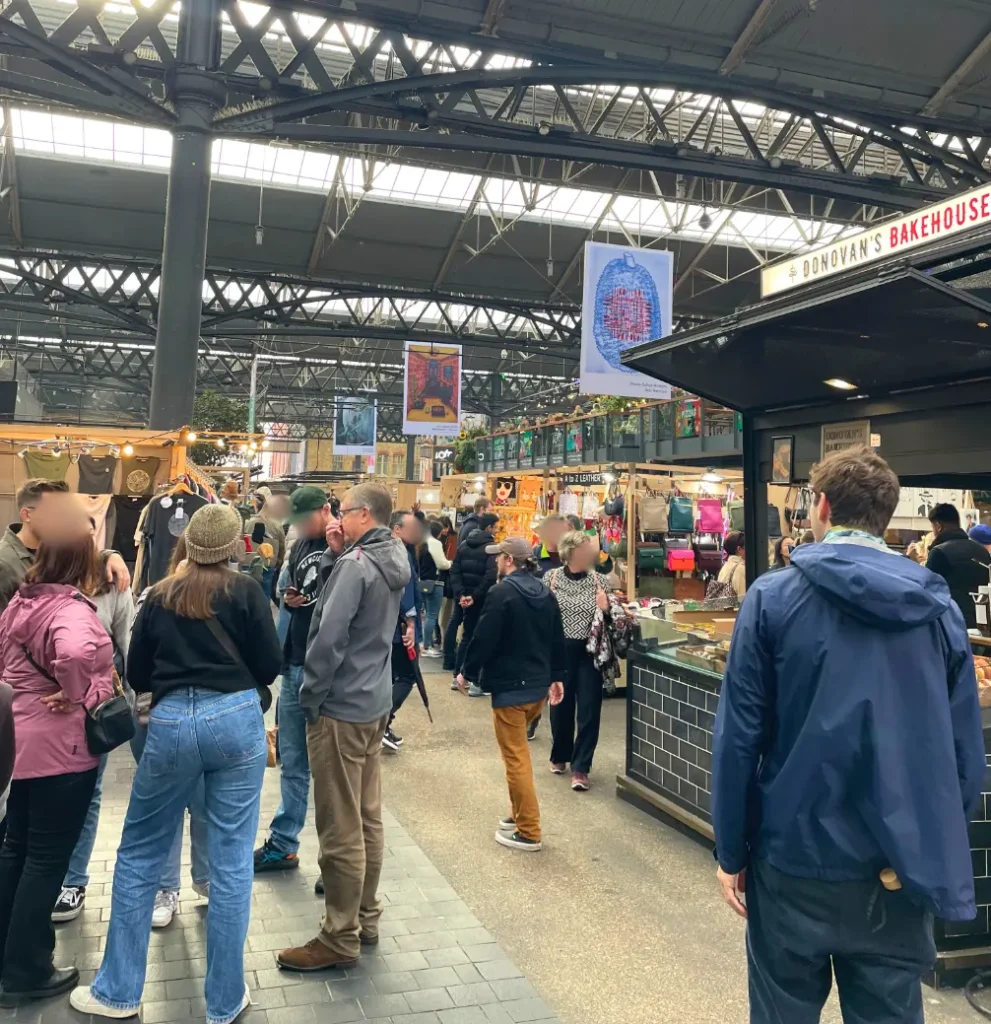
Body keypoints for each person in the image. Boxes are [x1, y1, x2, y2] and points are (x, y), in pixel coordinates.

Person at [712, 446, 984, 1024]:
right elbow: (965, 754)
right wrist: (929, 843)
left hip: (792, 858)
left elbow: (739, 738)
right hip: (896, 867)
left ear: (822, 506)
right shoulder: (939, 611)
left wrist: (732, 848)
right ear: (885, 515)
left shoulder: (773, 597)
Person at [71, 504, 281, 1024]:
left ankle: (118, 991)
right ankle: (226, 1001)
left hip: (169, 724)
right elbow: (271, 665)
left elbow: (137, 669)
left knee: (140, 850)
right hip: (236, 718)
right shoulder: (248, 592)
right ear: (233, 546)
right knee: (232, 860)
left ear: (186, 544)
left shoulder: (159, 596)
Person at [276, 482, 410, 972]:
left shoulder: (356, 566)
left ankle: (338, 934)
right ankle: (366, 916)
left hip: (340, 706)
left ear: (363, 515)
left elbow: (329, 637)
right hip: (373, 700)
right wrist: (336, 555)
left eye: (344, 512)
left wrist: (311, 695)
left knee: (339, 826)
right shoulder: (391, 554)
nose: (337, 518)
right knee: (368, 815)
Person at [0, 530, 114, 1007]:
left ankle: (9, 954)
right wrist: (79, 693)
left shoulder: (19, 605)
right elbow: (70, 655)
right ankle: (26, 968)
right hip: (60, 751)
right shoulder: (69, 610)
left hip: (19, 742)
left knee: (16, 849)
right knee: (47, 859)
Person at [52, 510, 138, 924]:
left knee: (88, 792)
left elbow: (126, 642)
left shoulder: (111, 583)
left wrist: (135, 699)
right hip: (39, 710)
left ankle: (74, 879)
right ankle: (43, 872)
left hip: (91, 710)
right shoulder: (35, 582)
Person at [457, 537, 565, 852]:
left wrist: (467, 670)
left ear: (508, 559)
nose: (494, 562)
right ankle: (517, 813)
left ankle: (529, 830)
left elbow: (484, 636)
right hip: (537, 689)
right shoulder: (546, 592)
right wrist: (557, 676)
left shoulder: (501, 593)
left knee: (516, 760)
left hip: (510, 690)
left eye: (498, 557)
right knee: (517, 756)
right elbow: (556, 637)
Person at [254, 486, 331, 873]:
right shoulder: (299, 546)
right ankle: (284, 843)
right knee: (294, 761)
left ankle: (337, 863)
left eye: (305, 519)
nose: (299, 526)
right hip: (293, 662)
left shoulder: (346, 548)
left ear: (326, 510)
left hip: (326, 673)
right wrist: (287, 594)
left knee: (332, 768)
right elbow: (282, 590)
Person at [543, 531, 612, 792]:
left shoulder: (599, 581)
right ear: (570, 553)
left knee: (589, 709)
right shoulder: (550, 578)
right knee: (560, 706)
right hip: (559, 652)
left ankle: (581, 767)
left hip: (589, 653)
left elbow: (613, 618)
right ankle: (560, 754)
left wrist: (606, 607)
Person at [0, 479, 130, 613]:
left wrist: (109, 556)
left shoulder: (57, 549)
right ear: (27, 515)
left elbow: (79, 556)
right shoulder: (5, 564)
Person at [447, 513, 499, 694]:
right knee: (481, 638)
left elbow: (455, 571)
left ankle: (457, 676)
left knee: (466, 637)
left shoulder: (463, 545)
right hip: (483, 600)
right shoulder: (491, 549)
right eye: (496, 526)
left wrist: (462, 594)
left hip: (465, 599)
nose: (497, 529)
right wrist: (475, 596)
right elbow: (491, 576)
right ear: (489, 527)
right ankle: (474, 680)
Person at [384, 511, 423, 752]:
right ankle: (381, 722)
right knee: (408, 676)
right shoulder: (399, 552)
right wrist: (410, 624)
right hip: (399, 629)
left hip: (390, 627)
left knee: (390, 676)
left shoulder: (392, 550)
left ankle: (381, 724)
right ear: (396, 529)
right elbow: (404, 588)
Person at [926, 503, 991, 631]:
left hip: (951, 624)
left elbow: (928, 591)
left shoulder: (939, 552)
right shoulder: (981, 551)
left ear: (938, 526)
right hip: (983, 625)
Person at [420, 520, 450, 657]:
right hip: (435, 582)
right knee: (432, 615)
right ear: (438, 532)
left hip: (424, 582)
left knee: (427, 615)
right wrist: (451, 563)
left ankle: (424, 644)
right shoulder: (435, 543)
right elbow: (442, 564)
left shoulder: (422, 542)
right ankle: (427, 646)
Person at [718, 531, 746, 599]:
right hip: (734, 609)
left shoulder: (725, 566)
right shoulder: (740, 569)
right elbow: (743, 600)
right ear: (739, 549)